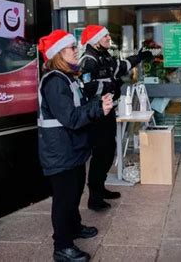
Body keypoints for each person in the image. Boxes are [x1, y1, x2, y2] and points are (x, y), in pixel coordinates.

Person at [37, 29, 114, 262]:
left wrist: (98, 104)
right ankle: (62, 246)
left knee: (74, 193)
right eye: (72, 48)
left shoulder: (68, 77)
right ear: (58, 54)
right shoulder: (54, 82)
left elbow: (78, 107)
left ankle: (74, 227)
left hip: (72, 150)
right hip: (60, 152)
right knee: (64, 199)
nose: (76, 51)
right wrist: (98, 109)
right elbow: (70, 117)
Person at [78, 25, 153, 211]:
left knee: (109, 151)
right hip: (96, 113)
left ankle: (101, 188)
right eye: (105, 36)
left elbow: (122, 66)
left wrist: (140, 57)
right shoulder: (88, 60)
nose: (108, 38)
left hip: (108, 110)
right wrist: (111, 85)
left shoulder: (105, 56)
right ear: (95, 40)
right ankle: (94, 197)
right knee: (100, 154)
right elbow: (87, 87)